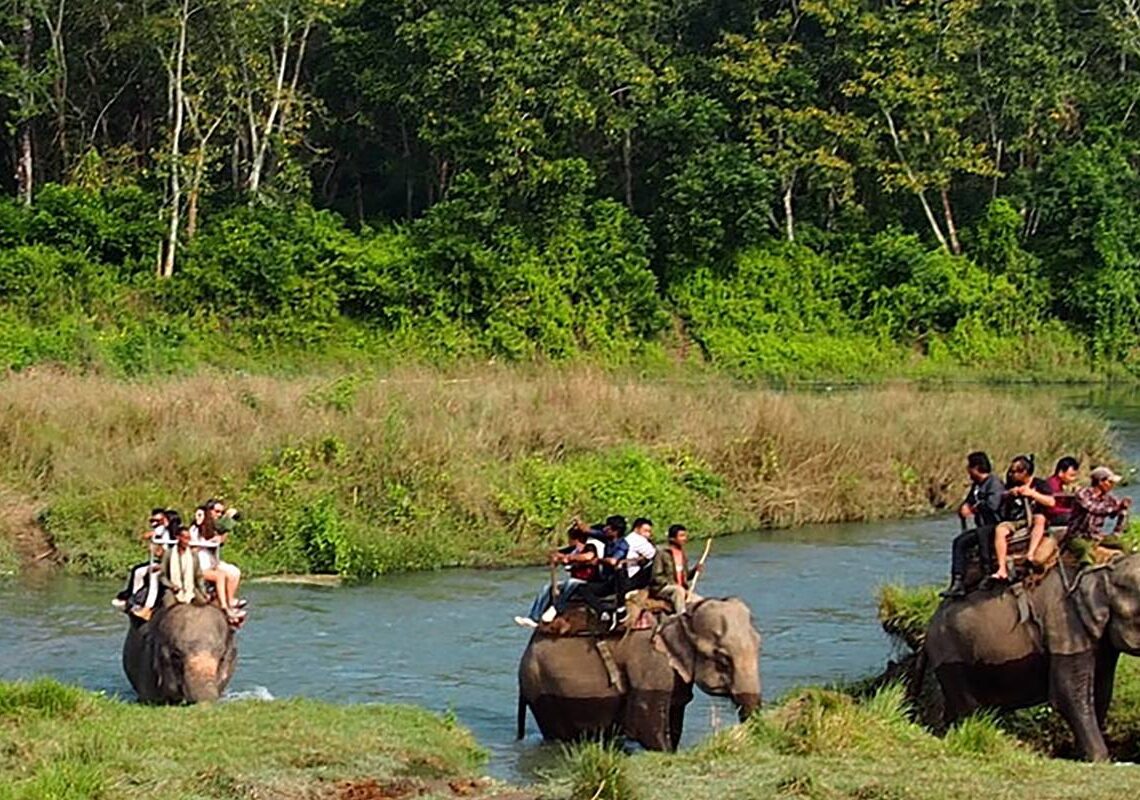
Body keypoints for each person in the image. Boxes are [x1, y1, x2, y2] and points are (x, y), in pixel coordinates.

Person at [514, 522, 603, 628]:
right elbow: (555, 554)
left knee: (571, 582)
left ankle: (557, 608)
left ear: (575, 539)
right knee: (548, 587)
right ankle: (534, 617)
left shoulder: (589, 547)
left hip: (588, 582)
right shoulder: (571, 550)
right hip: (574, 582)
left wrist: (569, 558)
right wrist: (557, 557)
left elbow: (588, 557)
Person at [942, 452, 1004, 598]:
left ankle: (987, 571)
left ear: (976, 467)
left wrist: (974, 509)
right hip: (981, 527)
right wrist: (964, 507)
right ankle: (957, 582)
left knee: (982, 534)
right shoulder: (977, 486)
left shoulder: (994, 483)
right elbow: (969, 500)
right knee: (959, 542)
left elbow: (993, 505)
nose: (968, 471)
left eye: (969, 467)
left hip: (994, 524)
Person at [989, 455, 1053, 582]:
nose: (1012, 474)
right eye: (1011, 471)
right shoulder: (1011, 484)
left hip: (1033, 518)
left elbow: (1051, 501)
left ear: (1025, 472)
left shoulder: (1040, 484)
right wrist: (1010, 494)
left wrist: (1032, 494)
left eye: (1016, 472)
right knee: (1000, 530)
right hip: (1015, 519)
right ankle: (1002, 568)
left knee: (1040, 519)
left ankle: (1031, 553)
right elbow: (1002, 496)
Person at [1063, 466, 1132, 563]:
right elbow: (1094, 509)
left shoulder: (1109, 498)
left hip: (1096, 536)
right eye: (1110, 482)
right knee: (1085, 551)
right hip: (1077, 536)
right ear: (1100, 482)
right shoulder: (1082, 494)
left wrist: (1118, 529)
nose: (1112, 485)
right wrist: (1116, 508)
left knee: (1123, 546)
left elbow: (1120, 512)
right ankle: (1085, 570)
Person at [112, 509, 172, 620]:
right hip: (161, 561)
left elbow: (163, 552)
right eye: (152, 520)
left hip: (166, 563)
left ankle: (141, 603)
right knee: (137, 569)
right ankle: (133, 597)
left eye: (158, 520)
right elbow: (145, 537)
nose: (154, 523)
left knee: (146, 573)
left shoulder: (167, 532)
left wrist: (155, 547)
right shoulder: (160, 530)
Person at [576, 515, 632, 630]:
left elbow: (613, 561)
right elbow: (587, 530)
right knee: (582, 589)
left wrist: (598, 561)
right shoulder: (607, 537)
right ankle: (602, 611)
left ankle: (621, 609)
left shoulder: (622, 544)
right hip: (606, 581)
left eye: (608, 527)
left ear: (615, 531)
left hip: (617, 583)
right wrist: (578, 521)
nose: (605, 529)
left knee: (619, 570)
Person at [191, 506, 244, 621]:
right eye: (197, 515)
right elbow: (191, 548)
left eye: (201, 515)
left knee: (234, 573)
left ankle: (230, 601)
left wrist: (227, 525)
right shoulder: (193, 530)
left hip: (210, 562)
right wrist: (205, 544)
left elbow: (221, 538)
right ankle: (224, 606)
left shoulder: (209, 529)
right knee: (220, 576)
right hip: (198, 565)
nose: (198, 518)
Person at [650, 524, 703, 613]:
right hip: (663, 588)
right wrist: (673, 584)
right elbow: (656, 576)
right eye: (681, 536)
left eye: (685, 536)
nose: (685, 538)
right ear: (672, 539)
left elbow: (686, 577)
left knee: (700, 601)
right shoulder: (662, 553)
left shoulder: (682, 554)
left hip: (681, 589)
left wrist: (694, 571)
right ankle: (681, 616)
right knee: (678, 591)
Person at [160, 521, 208, 606]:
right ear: (178, 537)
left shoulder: (193, 555)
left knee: (203, 603)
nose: (187, 541)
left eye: (188, 538)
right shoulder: (168, 554)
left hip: (190, 588)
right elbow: (162, 575)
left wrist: (203, 592)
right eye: (184, 538)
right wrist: (171, 586)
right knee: (168, 605)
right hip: (173, 589)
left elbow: (198, 576)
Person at [1042, 456, 1080, 529]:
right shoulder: (1052, 484)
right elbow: (1051, 509)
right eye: (1071, 475)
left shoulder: (1060, 485)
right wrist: (1071, 510)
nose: (1073, 479)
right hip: (1051, 517)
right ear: (1061, 472)